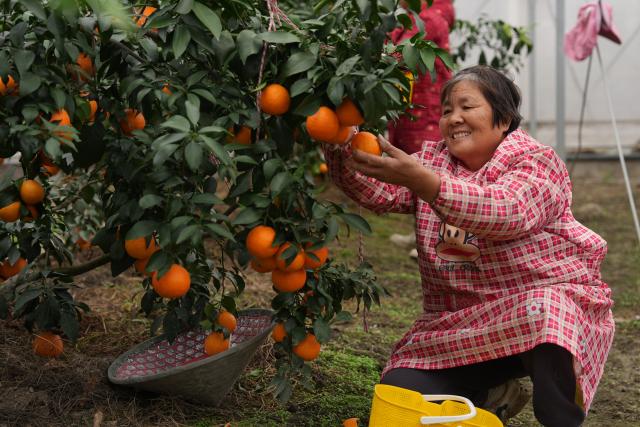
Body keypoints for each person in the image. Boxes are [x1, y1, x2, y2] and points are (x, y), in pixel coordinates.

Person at [324, 65, 614, 427]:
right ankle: (491, 397)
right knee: (402, 388)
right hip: (458, 323)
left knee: (550, 312)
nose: (453, 118)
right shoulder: (431, 162)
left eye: (466, 107)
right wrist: (339, 137)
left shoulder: (537, 162)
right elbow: (377, 190)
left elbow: (508, 212)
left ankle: (561, 420)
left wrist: (429, 185)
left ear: (504, 119)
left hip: (534, 310)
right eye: (446, 110)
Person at [387, 0, 455, 258]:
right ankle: (418, 233)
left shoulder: (430, 19)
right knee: (414, 169)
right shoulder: (417, 17)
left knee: (427, 172)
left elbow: (401, 54)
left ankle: (433, 241)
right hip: (412, 108)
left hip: (426, 109)